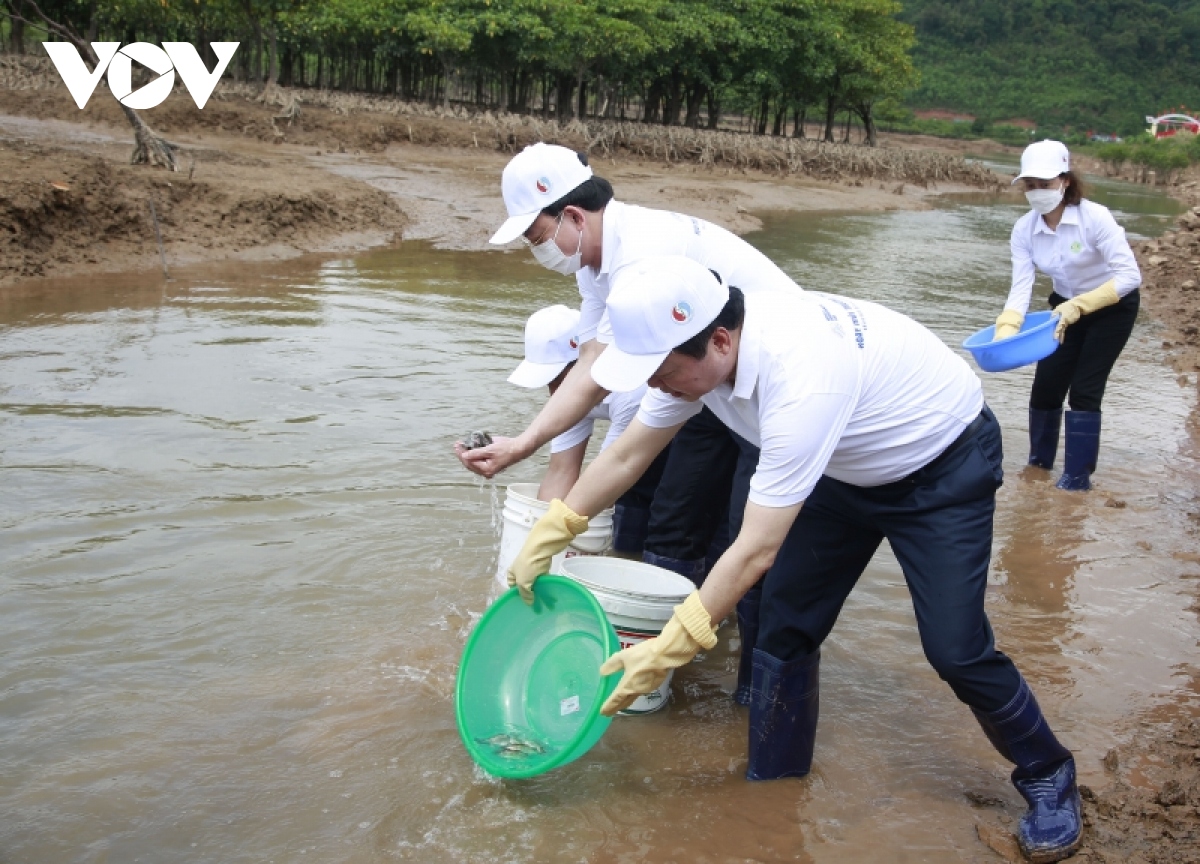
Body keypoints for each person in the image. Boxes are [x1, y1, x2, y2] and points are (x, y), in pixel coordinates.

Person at [507, 256, 1083, 864]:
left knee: (954, 646)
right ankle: (773, 790)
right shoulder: (688, 359)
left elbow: (754, 549)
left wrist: (670, 646)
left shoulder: (801, 372)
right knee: (783, 630)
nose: (652, 384)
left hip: (938, 466)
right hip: (840, 469)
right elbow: (627, 458)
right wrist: (552, 530)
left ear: (720, 340)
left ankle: (1048, 773)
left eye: (658, 371)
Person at [456, 142, 803, 702]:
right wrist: (524, 445)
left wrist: (558, 518)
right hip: (705, 382)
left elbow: (618, 410)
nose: (538, 251)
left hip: (767, 385)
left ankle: (747, 699)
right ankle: (679, 668)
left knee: (750, 541)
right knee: (677, 526)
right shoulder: (597, 267)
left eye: (537, 238)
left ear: (571, 215)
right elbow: (593, 363)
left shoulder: (645, 260)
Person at [993, 139, 1142, 491]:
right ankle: (1038, 467)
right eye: (1030, 185)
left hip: (1111, 308)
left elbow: (1130, 276)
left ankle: (1076, 479)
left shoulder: (1095, 218)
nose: (1037, 192)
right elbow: (1021, 287)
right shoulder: (1024, 230)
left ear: (1065, 181)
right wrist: (1006, 329)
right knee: (1045, 389)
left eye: (1044, 184)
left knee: (1085, 391)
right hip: (1062, 309)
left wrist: (1080, 306)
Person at [506, 304, 664, 554]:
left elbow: (612, 472)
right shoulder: (569, 396)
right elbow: (561, 470)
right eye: (548, 382)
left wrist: (560, 537)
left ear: (585, 361)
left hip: (675, 429)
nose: (554, 392)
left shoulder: (633, 391)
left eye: (559, 377)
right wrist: (538, 541)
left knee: (652, 516)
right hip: (629, 449)